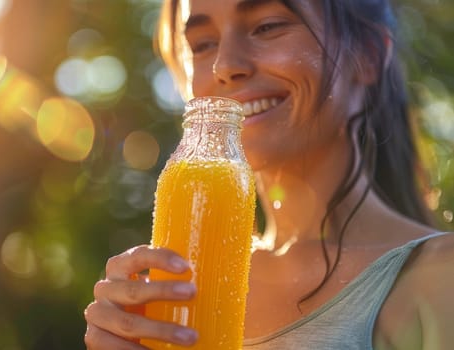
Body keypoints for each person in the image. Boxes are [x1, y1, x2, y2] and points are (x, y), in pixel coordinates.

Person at [83, 0, 454, 349]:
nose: (224, 66)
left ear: (368, 54)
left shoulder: (440, 276)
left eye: (267, 26)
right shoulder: (176, 290)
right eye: (202, 44)